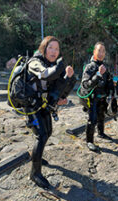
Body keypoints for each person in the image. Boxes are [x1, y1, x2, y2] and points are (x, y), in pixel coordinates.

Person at [23, 36, 75, 189]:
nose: (54, 51)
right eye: (51, 47)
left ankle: (36, 156)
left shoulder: (53, 64)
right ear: (44, 48)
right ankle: (35, 173)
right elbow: (45, 74)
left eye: (57, 49)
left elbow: (56, 87)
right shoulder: (35, 62)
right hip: (31, 106)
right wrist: (60, 67)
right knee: (41, 135)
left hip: (43, 105)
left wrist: (61, 98)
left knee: (49, 131)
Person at [79, 42, 113, 152]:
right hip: (92, 98)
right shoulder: (90, 67)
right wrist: (98, 75)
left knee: (101, 116)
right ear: (94, 52)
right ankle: (89, 141)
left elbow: (108, 82)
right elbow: (85, 84)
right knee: (92, 119)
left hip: (102, 97)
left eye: (103, 51)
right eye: (99, 50)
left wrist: (112, 86)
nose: (101, 53)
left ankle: (101, 133)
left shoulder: (105, 67)